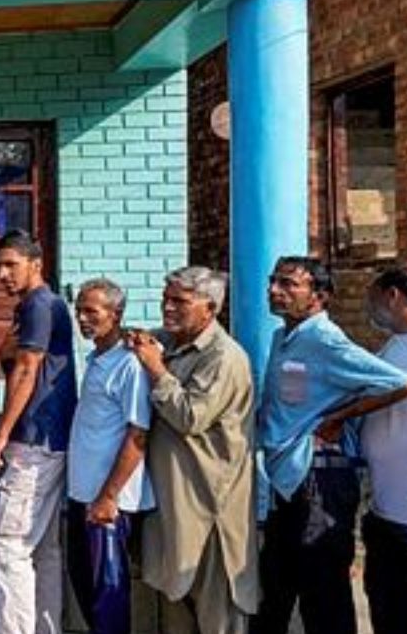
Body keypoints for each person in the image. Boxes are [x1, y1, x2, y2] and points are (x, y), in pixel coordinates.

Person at [251, 256, 407, 634]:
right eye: (273, 281)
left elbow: (403, 383)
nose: (275, 291)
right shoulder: (283, 337)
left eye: (289, 284)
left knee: (322, 596)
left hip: (319, 481)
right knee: (275, 590)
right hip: (287, 478)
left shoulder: (324, 339)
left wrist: (341, 417)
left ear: (320, 296)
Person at [129, 267, 257, 634]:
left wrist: (157, 371)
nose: (167, 308)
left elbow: (190, 416)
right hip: (176, 507)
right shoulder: (172, 343)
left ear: (210, 308)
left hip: (211, 507)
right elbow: (143, 342)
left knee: (218, 614)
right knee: (177, 605)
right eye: (166, 299)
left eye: (180, 302)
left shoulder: (224, 357)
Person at [0, 229, 77, 634]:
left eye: (11, 265)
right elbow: (11, 355)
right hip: (50, 438)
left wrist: (1, 435)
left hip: (35, 439)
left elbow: (25, 368)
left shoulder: (40, 304)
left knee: (6, 548)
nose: (3, 274)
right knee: (42, 550)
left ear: (35, 265)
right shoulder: (36, 306)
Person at [66, 279, 153, 634]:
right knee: (84, 582)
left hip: (108, 502)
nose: (83, 319)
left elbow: (138, 434)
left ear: (115, 315)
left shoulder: (128, 365)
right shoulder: (97, 358)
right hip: (83, 494)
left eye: (92, 312)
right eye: (79, 311)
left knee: (109, 590)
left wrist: (108, 496)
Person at [359, 262, 407, 634]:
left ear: (393, 295)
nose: (368, 310)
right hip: (388, 515)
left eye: (372, 298)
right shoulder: (395, 346)